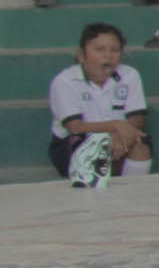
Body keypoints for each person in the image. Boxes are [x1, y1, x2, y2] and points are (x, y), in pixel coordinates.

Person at [50, 20, 152, 183]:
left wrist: (120, 134)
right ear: (82, 55)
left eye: (115, 50)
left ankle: (132, 198)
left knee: (141, 148)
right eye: (99, 49)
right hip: (76, 142)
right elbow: (75, 126)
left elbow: (137, 118)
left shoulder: (129, 75)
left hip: (120, 138)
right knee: (98, 153)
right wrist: (116, 127)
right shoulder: (65, 81)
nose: (108, 55)